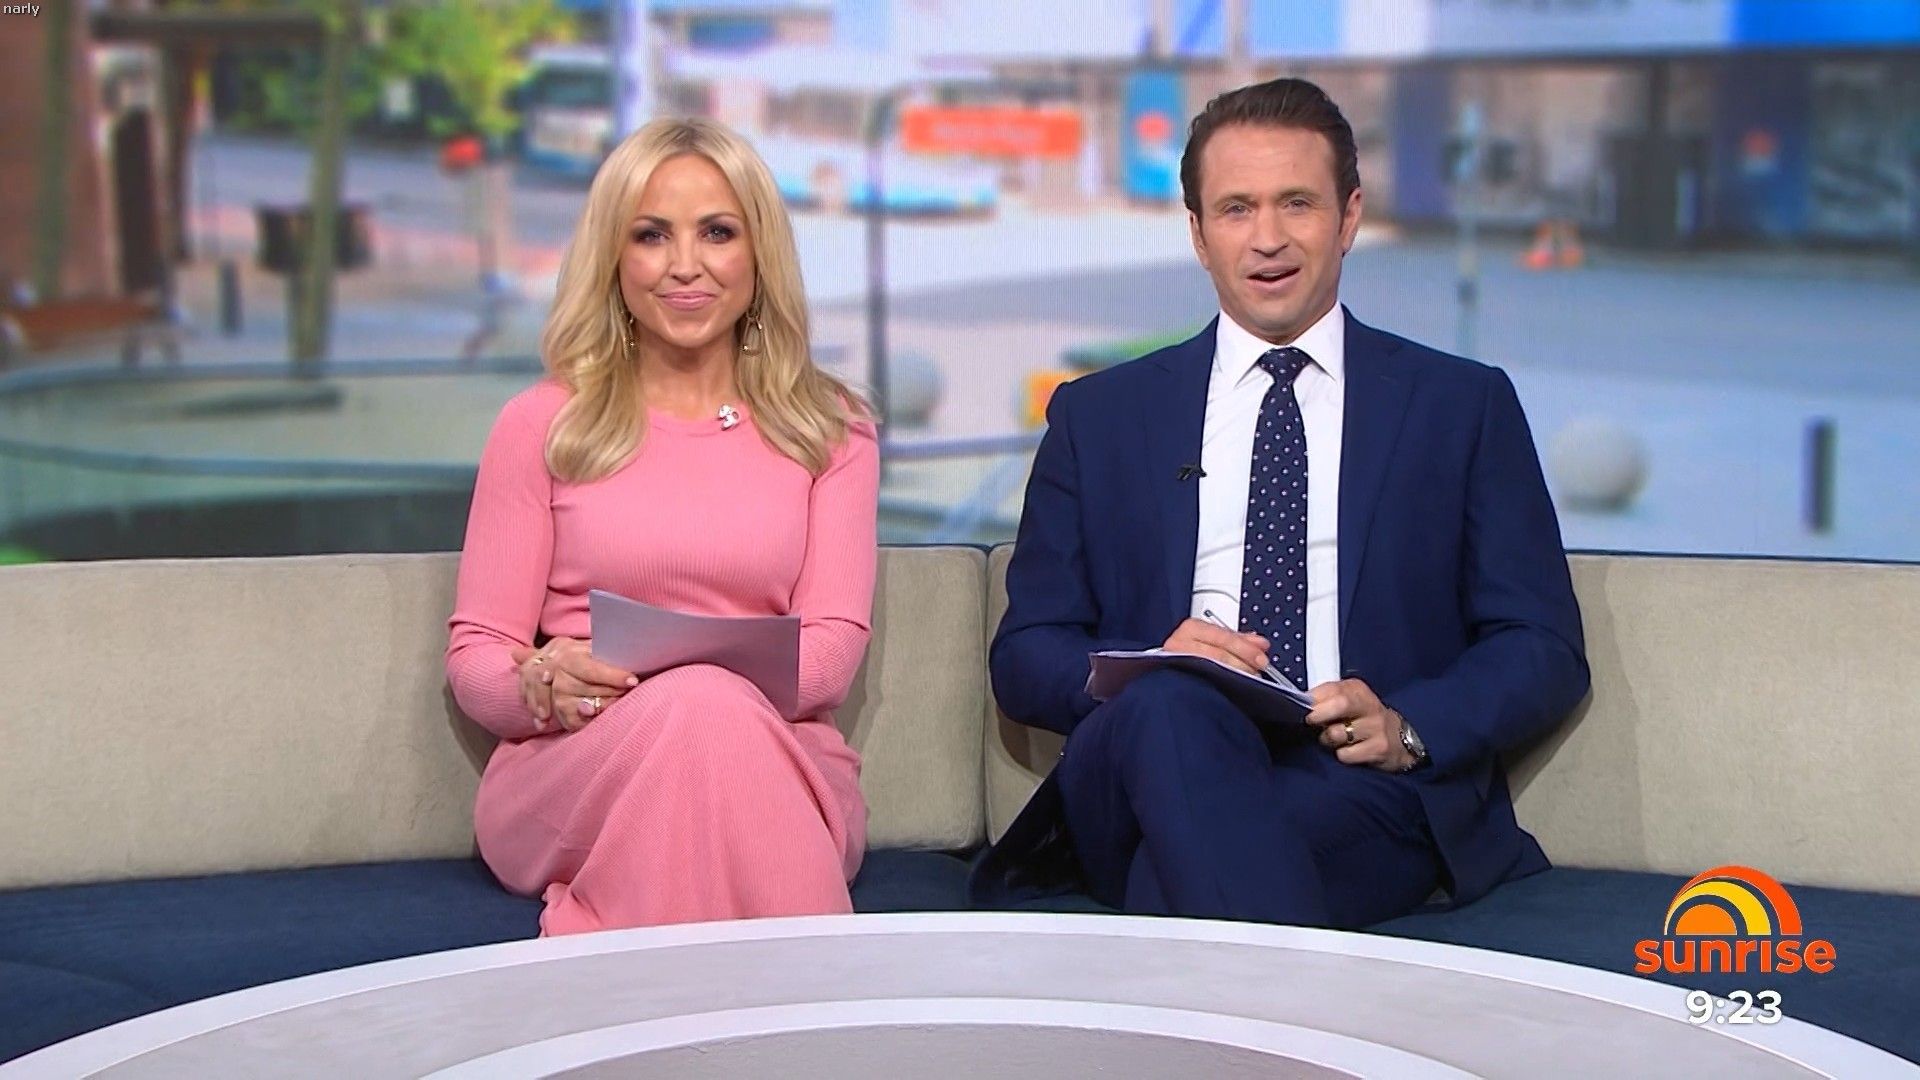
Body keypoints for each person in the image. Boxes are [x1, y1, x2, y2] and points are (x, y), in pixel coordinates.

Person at [971, 78, 1589, 927]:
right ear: (1198, 234)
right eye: (1236, 209)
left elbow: (1541, 643)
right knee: (1173, 705)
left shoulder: (1459, 406)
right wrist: (1152, 661)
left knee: (1184, 866)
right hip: (1139, 762)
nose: (1268, 238)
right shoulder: (1101, 415)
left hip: (1354, 781)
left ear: (1349, 216)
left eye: (1296, 203)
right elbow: (1026, 656)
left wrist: (1408, 725)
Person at [446, 118, 878, 935]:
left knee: (704, 710)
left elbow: (826, 664)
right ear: (614, 257)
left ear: (759, 253)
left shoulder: (832, 430)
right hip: (576, 763)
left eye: (717, 232)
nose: (685, 264)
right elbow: (476, 658)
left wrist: (695, 689)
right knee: (697, 709)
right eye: (651, 235)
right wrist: (542, 685)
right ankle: (807, 1001)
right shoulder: (541, 424)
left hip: (780, 766)